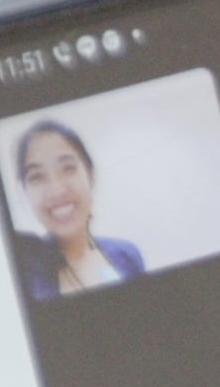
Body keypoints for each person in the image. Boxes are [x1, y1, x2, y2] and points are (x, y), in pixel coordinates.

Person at [11, 119, 144, 300]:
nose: (56, 190)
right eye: (37, 177)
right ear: (25, 192)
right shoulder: (23, 273)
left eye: (68, 168)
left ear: (90, 176)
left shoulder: (127, 255)